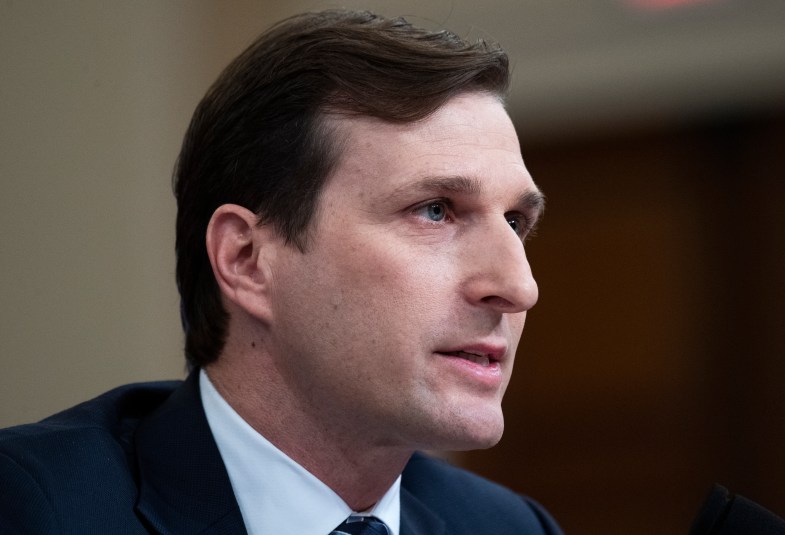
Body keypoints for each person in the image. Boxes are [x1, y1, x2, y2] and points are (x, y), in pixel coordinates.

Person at [0, 9, 561, 534]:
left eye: (515, 221)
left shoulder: (507, 526)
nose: (519, 288)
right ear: (247, 260)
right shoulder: (34, 506)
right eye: (434, 210)